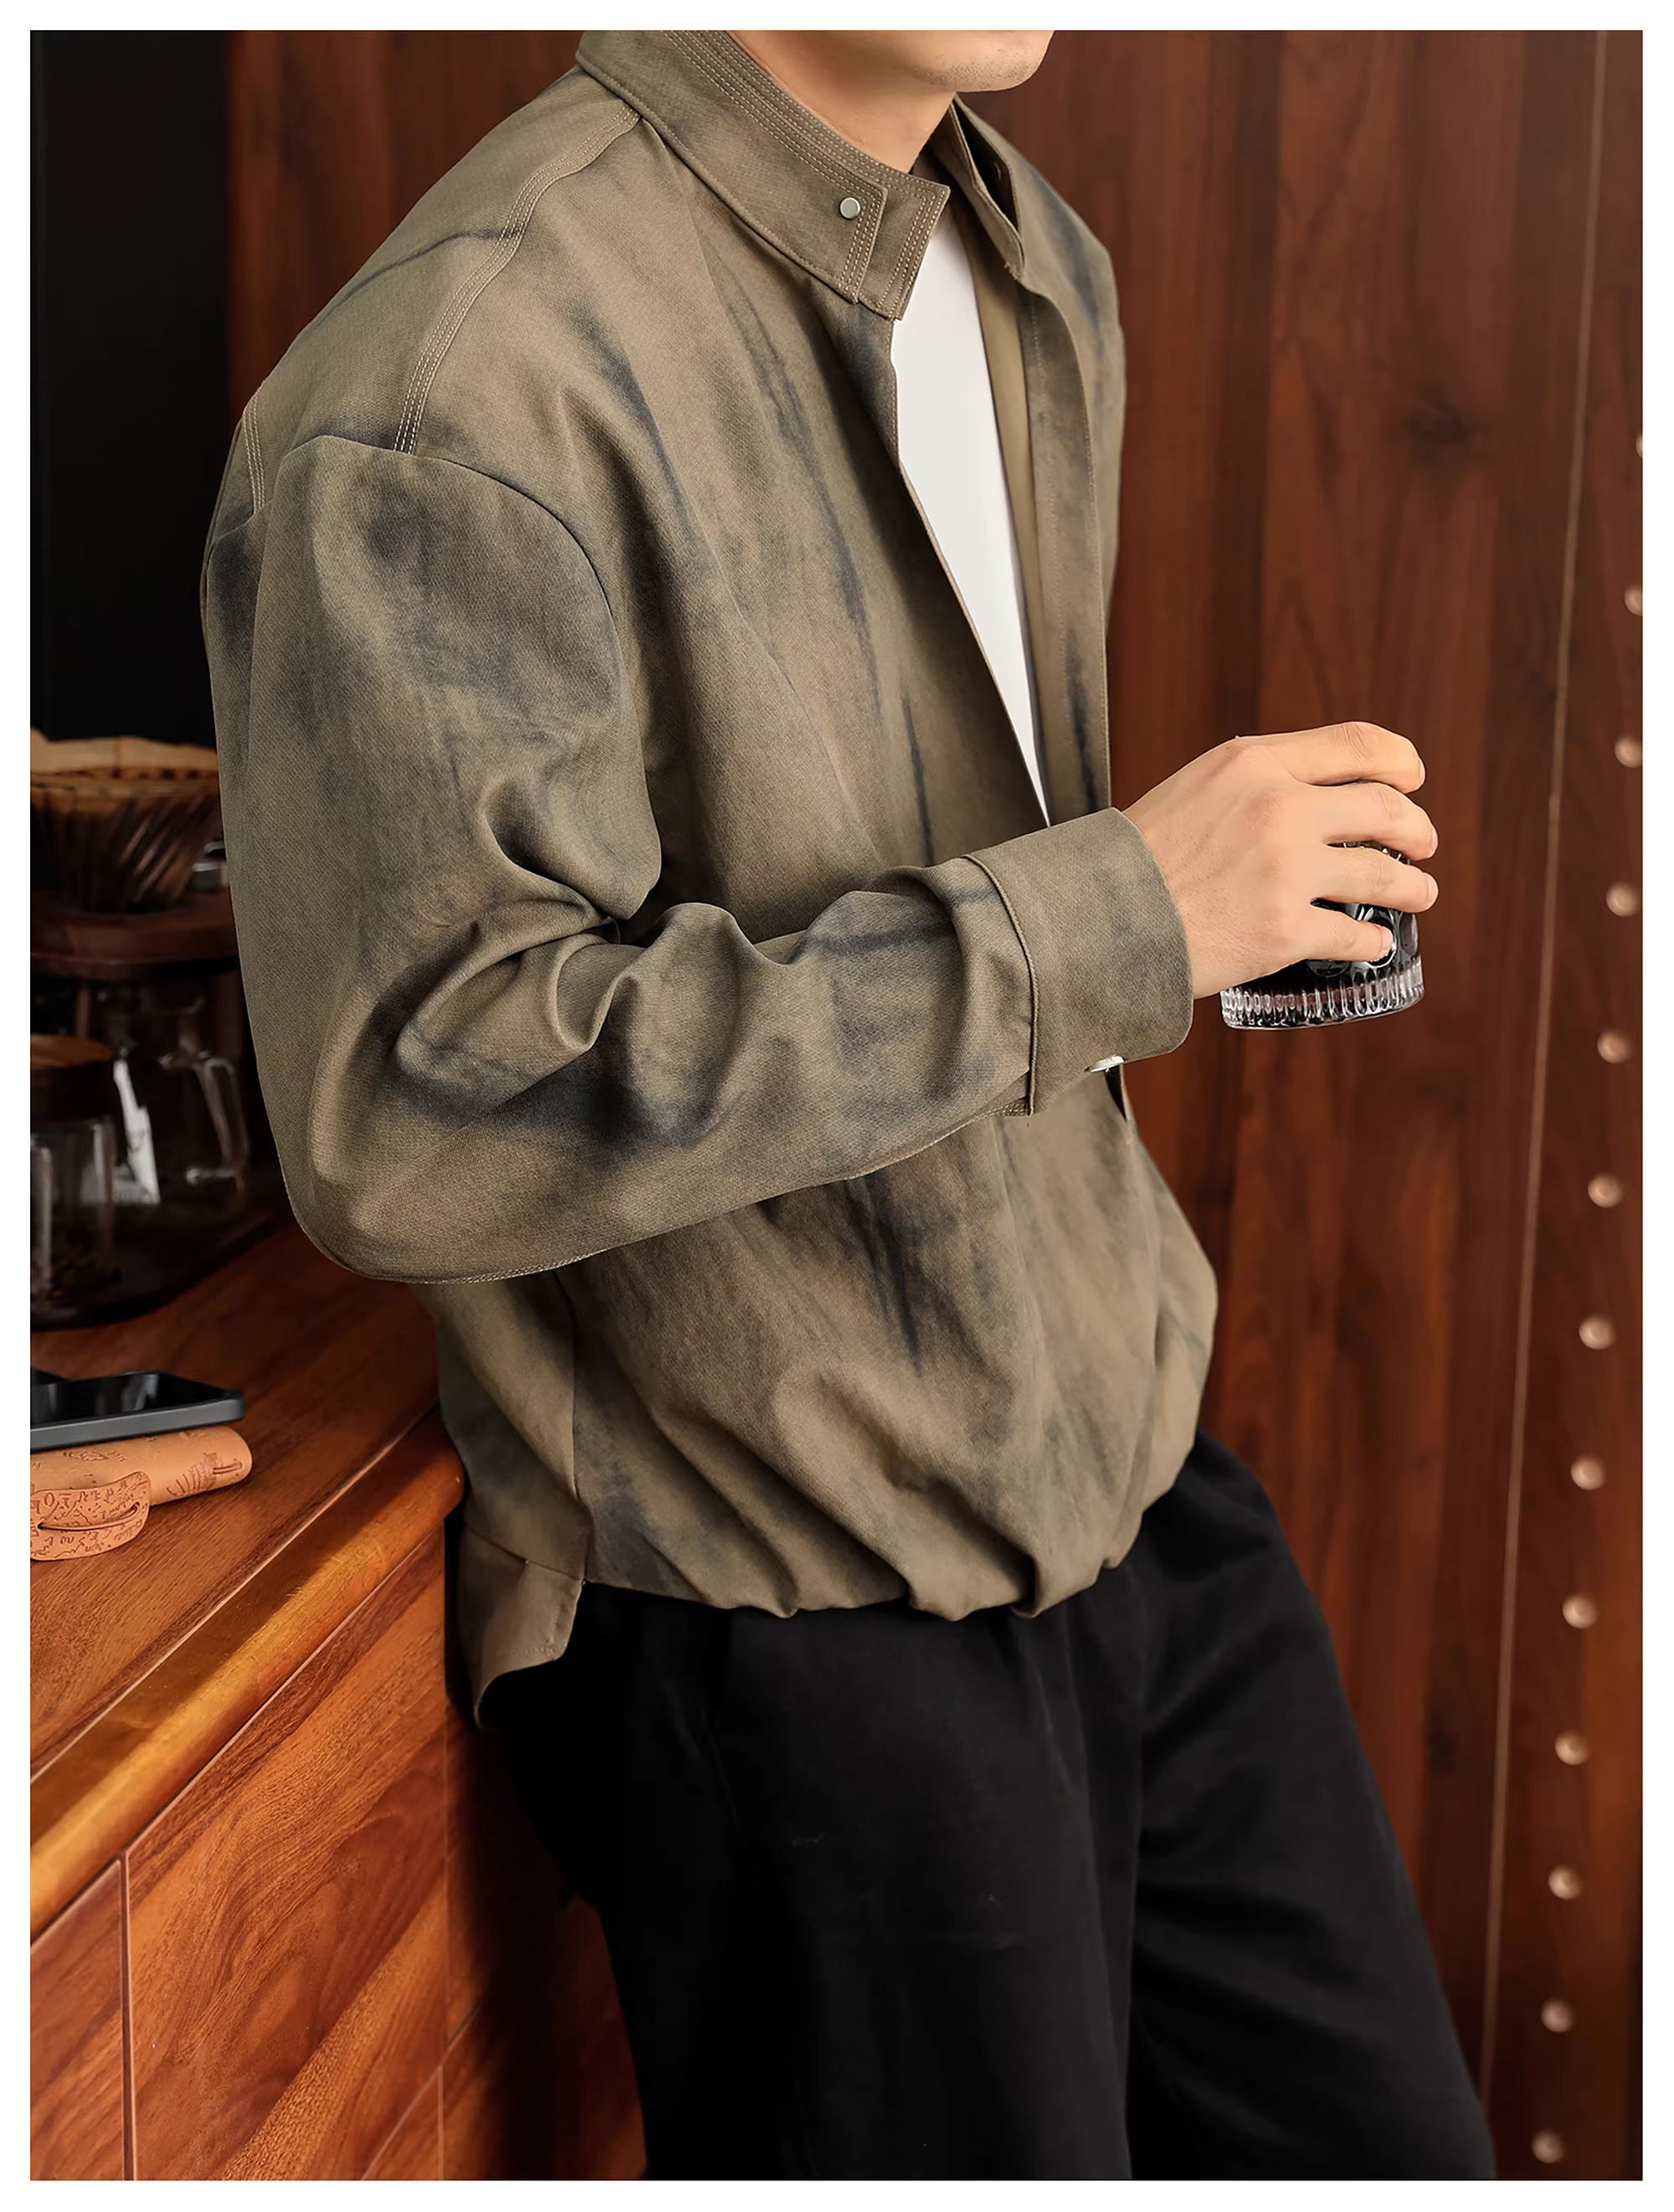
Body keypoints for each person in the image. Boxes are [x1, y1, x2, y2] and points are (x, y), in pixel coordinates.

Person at [202, 28, 1493, 2181]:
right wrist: (1119, 919)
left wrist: (1150, 929)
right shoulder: (447, 391)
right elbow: (417, 1109)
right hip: (791, 1600)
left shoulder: (1031, 257)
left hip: (1126, 1469)